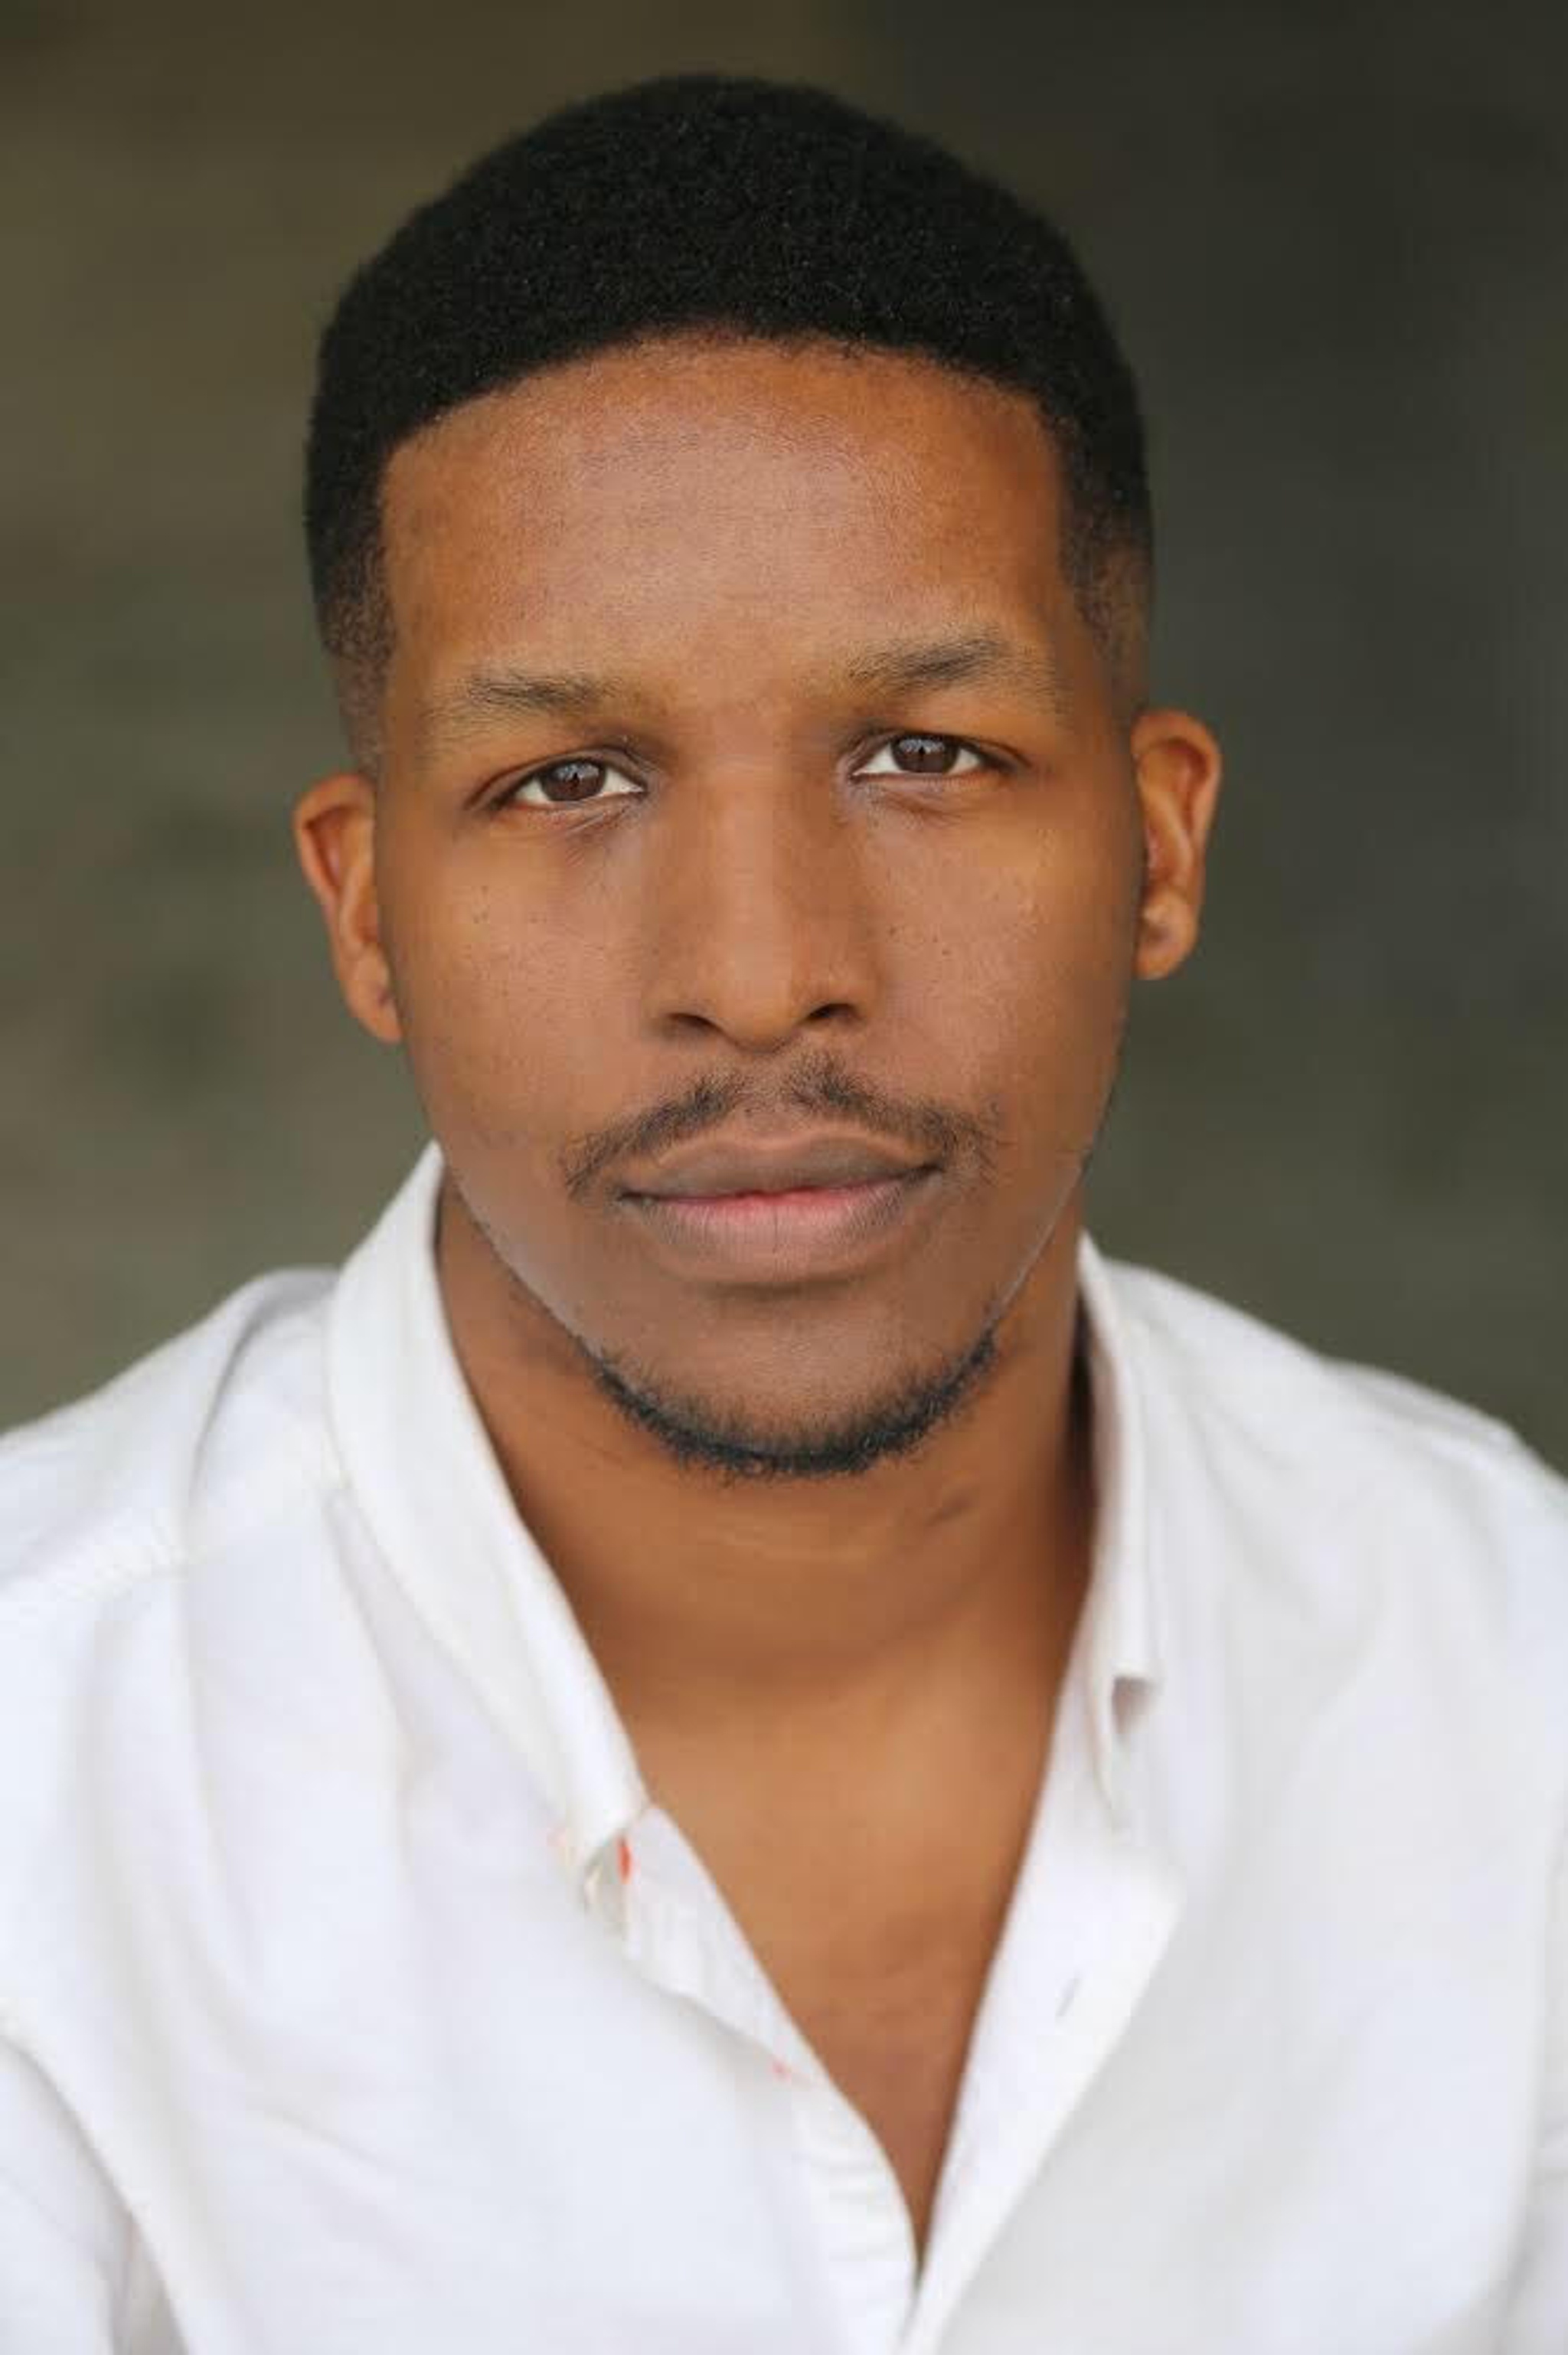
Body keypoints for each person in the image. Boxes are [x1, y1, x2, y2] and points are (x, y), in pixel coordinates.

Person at [1, 70, 1563, 2354]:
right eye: (570, 779)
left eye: (923, 753)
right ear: (363, 914)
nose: (758, 969)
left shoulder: (1515, 1681)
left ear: (1159, 844)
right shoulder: (37, 1781)